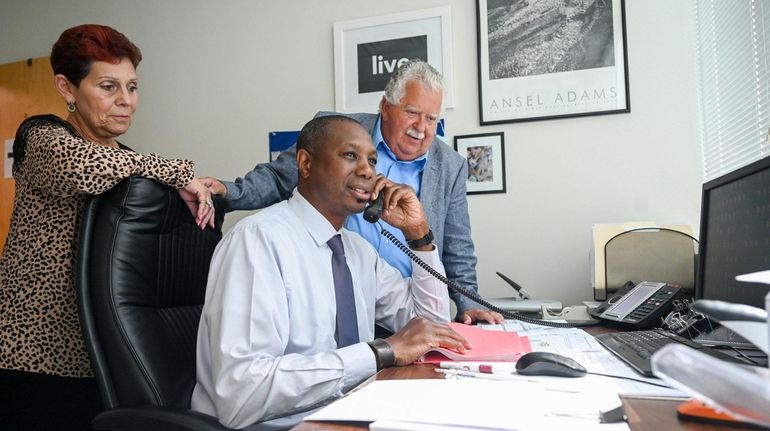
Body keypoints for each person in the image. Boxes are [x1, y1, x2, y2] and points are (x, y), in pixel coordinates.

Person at [0, 24, 215, 430]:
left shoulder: (130, 159)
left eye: (132, 87)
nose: (126, 102)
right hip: (33, 355)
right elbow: (86, 168)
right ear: (67, 88)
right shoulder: (43, 137)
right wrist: (181, 172)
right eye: (108, 87)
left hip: (104, 352)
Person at [192, 115, 469, 430]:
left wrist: (419, 234)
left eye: (372, 160)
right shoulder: (258, 241)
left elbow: (432, 329)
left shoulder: (358, 252)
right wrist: (381, 352)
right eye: (351, 156)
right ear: (305, 163)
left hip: (349, 414)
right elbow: (243, 394)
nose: (367, 170)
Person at [201, 60, 503, 325]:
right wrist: (230, 191)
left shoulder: (450, 166)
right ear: (385, 106)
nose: (421, 127)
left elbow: (457, 244)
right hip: (327, 296)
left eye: (431, 118)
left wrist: (469, 303)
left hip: (399, 304)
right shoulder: (339, 132)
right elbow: (280, 177)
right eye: (412, 112)